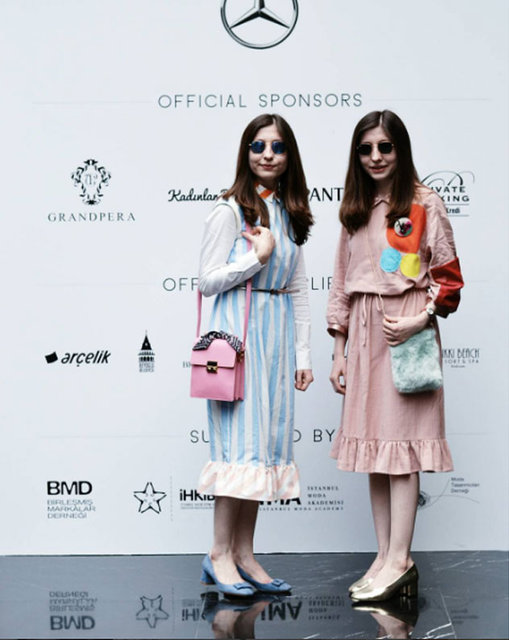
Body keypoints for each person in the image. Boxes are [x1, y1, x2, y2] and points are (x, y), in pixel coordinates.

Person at [327, 110, 464, 602]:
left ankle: (401, 558)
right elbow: (341, 281)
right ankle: (384, 555)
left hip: (406, 328)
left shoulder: (425, 203)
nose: (376, 157)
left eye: (384, 147)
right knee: (376, 452)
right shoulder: (355, 207)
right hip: (364, 331)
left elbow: (448, 279)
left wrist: (420, 318)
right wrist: (339, 350)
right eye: (366, 149)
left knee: (402, 451)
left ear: (400, 149)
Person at [197, 113, 314, 597]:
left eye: (278, 147)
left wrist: (303, 355)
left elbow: (299, 288)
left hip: (276, 341)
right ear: (245, 153)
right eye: (258, 145)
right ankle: (218, 554)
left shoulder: (289, 212)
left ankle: (244, 554)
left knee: (262, 450)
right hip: (237, 343)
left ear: (289, 157)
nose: (268, 154)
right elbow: (207, 281)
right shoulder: (229, 211)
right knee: (237, 450)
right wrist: (256, 258)